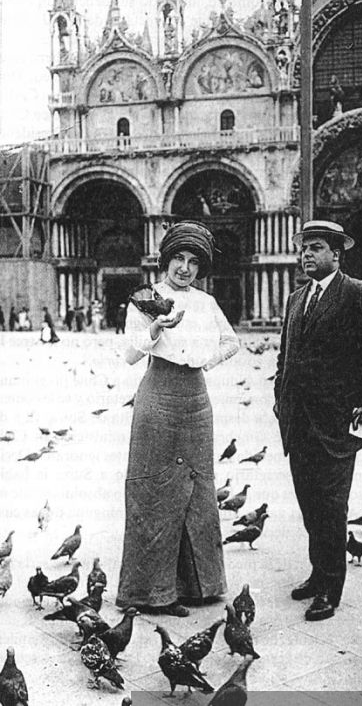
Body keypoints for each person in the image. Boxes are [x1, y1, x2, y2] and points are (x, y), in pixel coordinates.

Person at [274, 220, 362, 622]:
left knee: (331, 507)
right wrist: (280, 397)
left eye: (315, 248)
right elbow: (285, 356)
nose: (306, 254)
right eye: (303, 248)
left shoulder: (356, 294)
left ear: (336, 254)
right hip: (299, 423)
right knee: (309, 504)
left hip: (336, 425)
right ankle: (318, 572)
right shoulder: (296, 299)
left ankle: (330, 587)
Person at [116, 221, 240, 617]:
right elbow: (130, 354)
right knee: (155, 490)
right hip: (158, 398)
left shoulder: (205, 302)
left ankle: (197, 586)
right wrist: (155, 327)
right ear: (165, 260)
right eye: (177, 259)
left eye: (192, 262)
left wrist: (207, 360)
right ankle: (154, 593)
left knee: (198, 490)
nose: (184, 268)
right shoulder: (145, 298)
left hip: (196, 401)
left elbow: (231, 341)